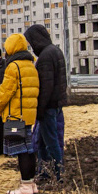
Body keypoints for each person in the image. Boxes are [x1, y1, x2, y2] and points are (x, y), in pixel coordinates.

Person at [0, 33, 40, 194]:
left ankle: (25, 185)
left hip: (16, 114)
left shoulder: (13, 67)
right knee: (29, 149)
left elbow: (6, 92)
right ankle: (31, 183)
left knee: (21, 151)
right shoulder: (31, 65)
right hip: (28, 114)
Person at [24, 24, 68, 182]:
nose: (31, 45)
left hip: (48, 107)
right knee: (43, 142)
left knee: (51, 142)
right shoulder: (55, 51)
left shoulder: (45, 57)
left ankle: (59, 173)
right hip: (56, 105)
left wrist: (40, 109)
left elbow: (46, 87)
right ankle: (43, 172)